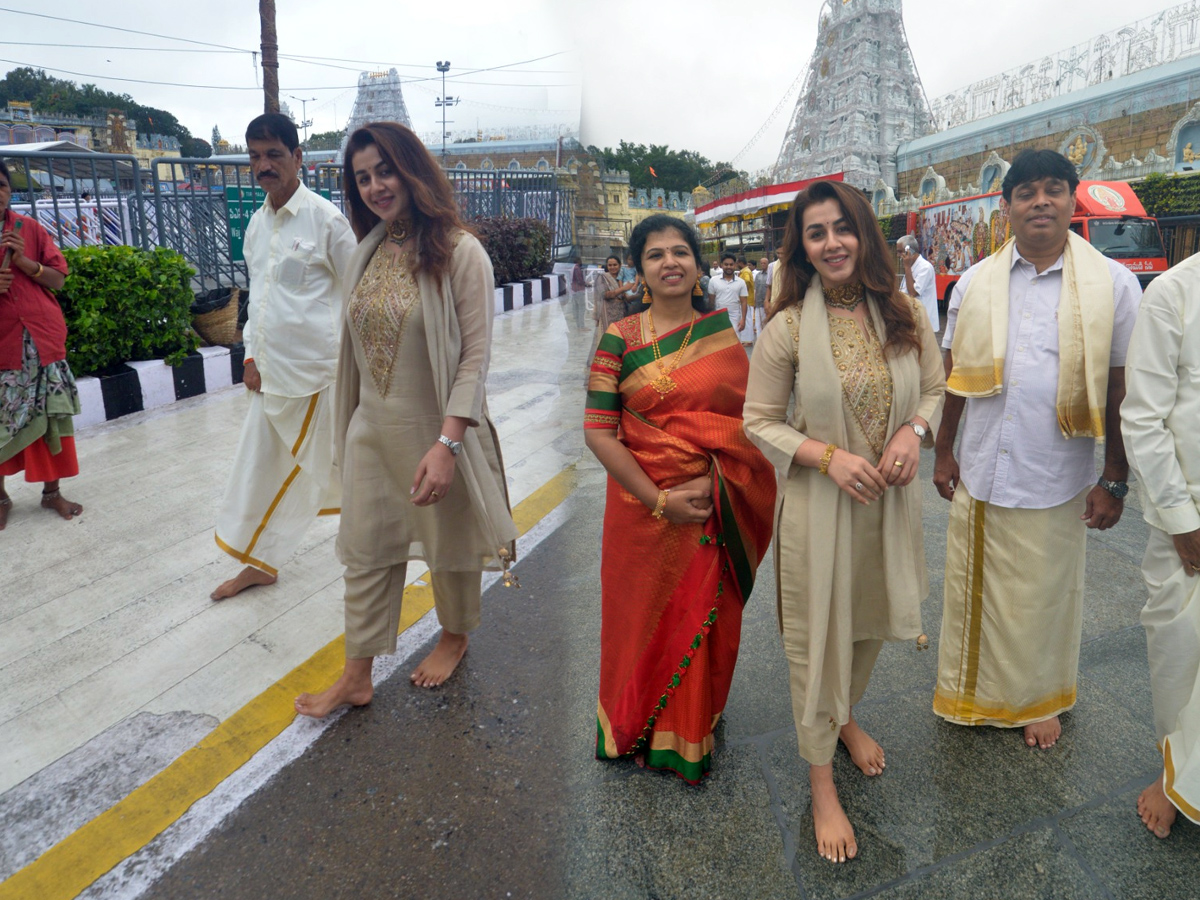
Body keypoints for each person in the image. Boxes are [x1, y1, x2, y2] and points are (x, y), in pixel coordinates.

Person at [744, 179, 945, 863]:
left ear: (865, 235)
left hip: (887, 502)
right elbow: (758, 421)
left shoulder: (905, 314)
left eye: (842, 228)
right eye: (816, 233)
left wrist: (913, 431)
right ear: (801, 247)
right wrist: (826, 457)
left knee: (867, 624)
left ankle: (846, 716)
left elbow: (939, 389)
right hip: (820, 508)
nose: (832, 243)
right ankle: (820, 778)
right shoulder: (788, 327)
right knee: (816, 638)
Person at [295, 121, 517, 717]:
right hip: (372, 429)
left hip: (435, 429)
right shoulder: (366, 251)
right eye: (362, 177)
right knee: (364, 550)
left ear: (412, 169)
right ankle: (357, 674)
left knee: (449, 546)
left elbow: (474, 356)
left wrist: (448, 442)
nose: (375, 186)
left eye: (384, 170)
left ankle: (454, 635)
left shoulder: (460, 251)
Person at [932, 149, 1141, 750]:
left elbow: (1121, 386)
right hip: (981, 465)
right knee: (978, 587)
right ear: (1008, 207)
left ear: (1073, 199)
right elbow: (954, 378)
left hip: (1055, 472)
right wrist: (944, 452)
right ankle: (971, 691)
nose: (1040, 201)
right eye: (1026, 192)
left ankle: (1038, 699)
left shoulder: (1115, 285)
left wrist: (1115, 478)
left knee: (1042, 594)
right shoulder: (975, 282)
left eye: (1053, 189)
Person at [584, 213, 775, 782]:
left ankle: (691, 727)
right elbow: (599, 431)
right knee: (639, 618)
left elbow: (749, 430)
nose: (669, 262)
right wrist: (658, 499)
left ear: (698, 266)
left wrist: (715, 483)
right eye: (655, 255)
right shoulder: (620, 339)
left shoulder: (723, 337)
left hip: (711, 505)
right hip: (640, 512)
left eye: (680, 252)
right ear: (640, 270)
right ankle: (634, 721)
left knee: (702, 615)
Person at [210, 114, 357, 600]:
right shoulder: (257, 224)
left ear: (299, 158)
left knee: (324, 474)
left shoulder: (326, 221)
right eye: (255, 156)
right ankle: (260, 563)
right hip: (269, 374)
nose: (263, 165)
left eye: (274, 154)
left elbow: (359, 295)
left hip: (316, 376)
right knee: (258, 470)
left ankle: (377, 553)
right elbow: (261, 297)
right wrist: (250, 356)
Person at [1121, 251, 1200, 839]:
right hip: (1190, 514)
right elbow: (1144, 417)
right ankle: (1174, 778)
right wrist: (1181, 519)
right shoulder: (1174, 292)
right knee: (1181, 651)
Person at [0, 159, 83, 530]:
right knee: (2, 422)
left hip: (44, 341)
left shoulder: (28, 228)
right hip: (4, 346)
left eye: (1, 185)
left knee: (53, 416)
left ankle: (52, 492)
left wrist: (26, 263)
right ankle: (1, 497)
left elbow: (58, 280)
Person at [897, 235, 938, 332]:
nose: (898, 255)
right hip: (912, 319)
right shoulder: (912, 265)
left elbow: (912, 292)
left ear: (909, 251)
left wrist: (907, 267)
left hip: (923, 323)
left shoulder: (925, 267)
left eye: (900, 251)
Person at [708, 252, 748, 336]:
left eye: (731, 264)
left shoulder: (741, 282)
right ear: (721, 265)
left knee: (735, 343)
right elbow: (711, 302)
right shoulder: (713, 281)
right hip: (718, 317)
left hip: (735, 318)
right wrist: (711, 319)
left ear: (735, 265)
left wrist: (743, 319)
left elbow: (744, 302)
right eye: (726, 264)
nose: (729, 267)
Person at [569, 256, 588, 330]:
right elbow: (579, 280)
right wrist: (586, 283)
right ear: (579, 261)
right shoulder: (577, 268)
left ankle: (578, 326)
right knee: (581, 308)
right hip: (579, 290)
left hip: (574, 290)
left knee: (577, 308)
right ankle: (581, 326)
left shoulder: (573, 268)